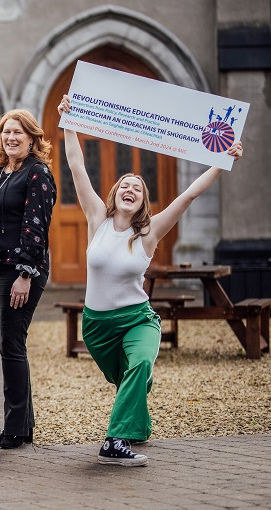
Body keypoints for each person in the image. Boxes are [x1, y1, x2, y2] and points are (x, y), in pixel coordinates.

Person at [58, 94, 242, 466]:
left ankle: (114, 442)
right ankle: (137, 420)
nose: (130, 189)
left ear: (143, 202)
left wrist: (224, 160)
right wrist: (69, 120)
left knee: (140, 364)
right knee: (130, 378)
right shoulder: (97, 219)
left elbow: (188, 195)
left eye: (137, 188)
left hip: (138, 319)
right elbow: (77, 166)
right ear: (114, 194)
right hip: (96, 326)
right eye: (125, 185)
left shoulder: (150, 233)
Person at [0, 110, 57, 450]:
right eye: (6, 132)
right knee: (5, 345)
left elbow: (36, 224)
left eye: (18, 132)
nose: (11, 137)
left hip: (22, 269)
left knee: (12, 343)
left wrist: (26, 274)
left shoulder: (38, 173)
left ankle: (15, 428)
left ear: (32, 138)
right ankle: (21, 425)